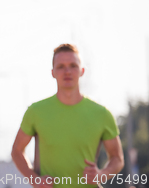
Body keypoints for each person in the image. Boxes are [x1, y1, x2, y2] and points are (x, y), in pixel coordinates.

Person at [11, 44, 124, 188]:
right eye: (61, 66)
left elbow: (117, 158)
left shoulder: (102, 114)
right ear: (52, 72)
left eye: (73, 65)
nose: (67, 71)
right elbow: (17, 151)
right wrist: (35, 179)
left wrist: (101, 175)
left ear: (82, 71)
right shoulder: (35, 111)